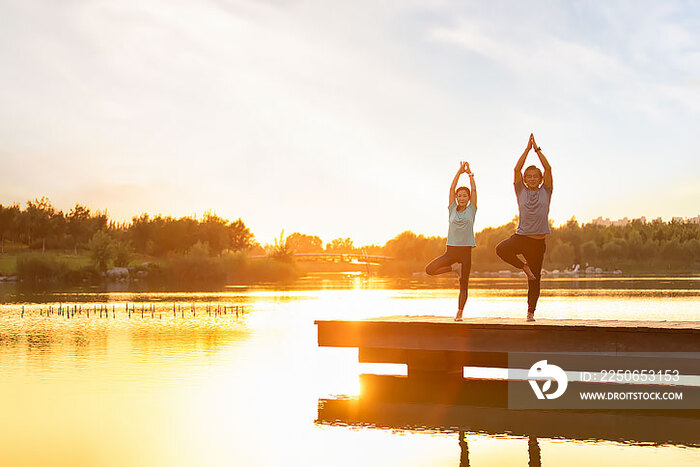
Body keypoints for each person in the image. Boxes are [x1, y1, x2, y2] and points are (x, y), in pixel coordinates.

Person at [496, 133, 553, 322]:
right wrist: (526, 150)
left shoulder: (547, 190)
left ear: (540, 178)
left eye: (535, 176)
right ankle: (523, 267)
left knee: (535, 280)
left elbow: (548, 168)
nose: (531, 178)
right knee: (501, 249)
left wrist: (536, 150)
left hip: (538, 243)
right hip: (521, 237)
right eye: (528, 176)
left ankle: (530, 313)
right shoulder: (520, 190)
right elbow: (516, 169)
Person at [425, 161, 477, 321]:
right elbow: (451, 188)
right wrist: (459, 172)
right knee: (430, 269)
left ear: (469, 198)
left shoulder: (472, 209)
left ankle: (459, 313)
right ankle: (455, 269)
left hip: (465, 252)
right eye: (459, 196)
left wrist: (469, 175)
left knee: (464, 285)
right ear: (456, 198)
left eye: (465, 196)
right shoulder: (452, 209)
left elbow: (474, 189)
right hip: (451, 251)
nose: (462, 198)